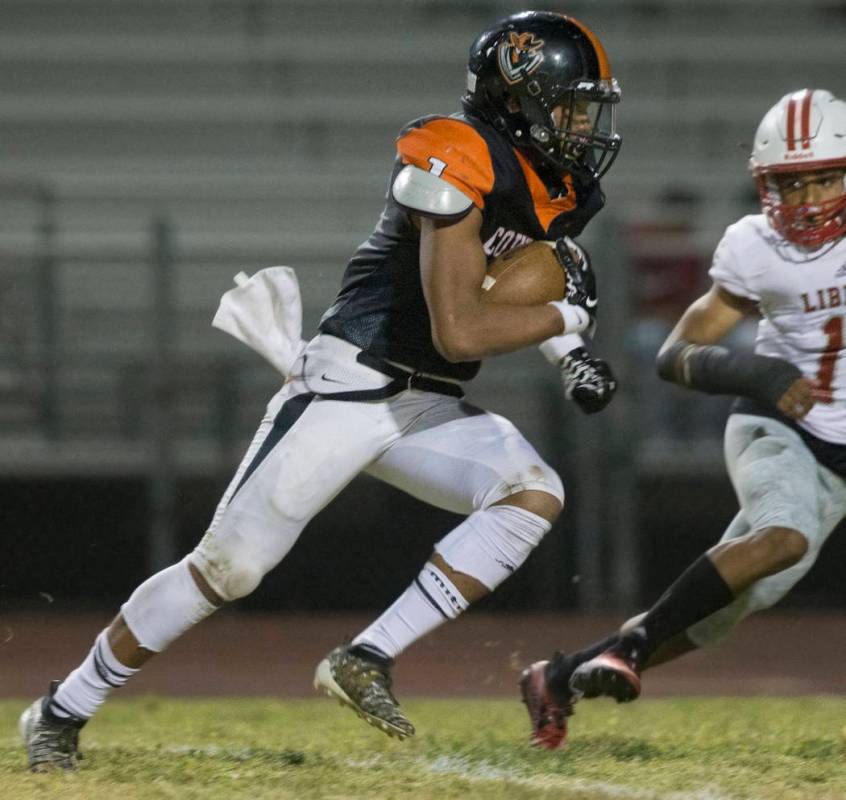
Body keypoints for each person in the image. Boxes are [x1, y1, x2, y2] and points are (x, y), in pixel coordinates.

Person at [19, 10, 622, 771]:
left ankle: (366, 655)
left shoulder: (552, 183)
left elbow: (524, 272)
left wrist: (568, 350)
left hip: (424, 402)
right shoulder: (451, 157)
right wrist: (568, 313)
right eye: (568, 104)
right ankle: (63, 707)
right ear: (519, 100)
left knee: (532, 492)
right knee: (226, 570)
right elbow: (461, 331)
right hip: (350, 385)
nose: (580, 123)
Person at [520, 87, 846, 750]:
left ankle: (558, 678)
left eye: (826, 179)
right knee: (783, 535)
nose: (810, 199)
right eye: (794, 183)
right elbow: (677, 354)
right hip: (778, 425)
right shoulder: (755, 246)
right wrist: (760, 373)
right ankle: (635, 645)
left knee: (728, 609)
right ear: (765, 186)